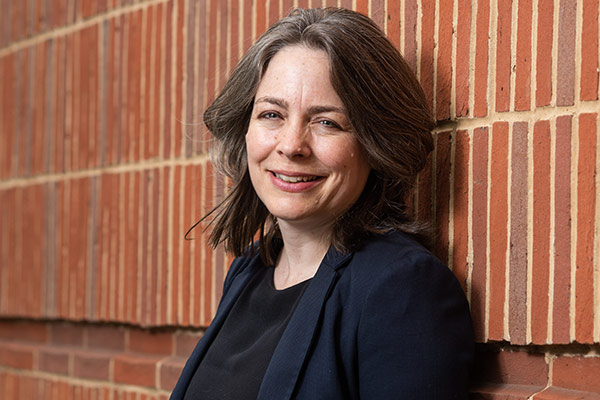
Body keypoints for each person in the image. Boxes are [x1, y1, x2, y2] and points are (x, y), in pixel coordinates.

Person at [172, 7, 474, 400]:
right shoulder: (249, 271)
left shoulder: (401, 289)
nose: (291, 145)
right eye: (271, 115)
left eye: (327, 122)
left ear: (375, 142)